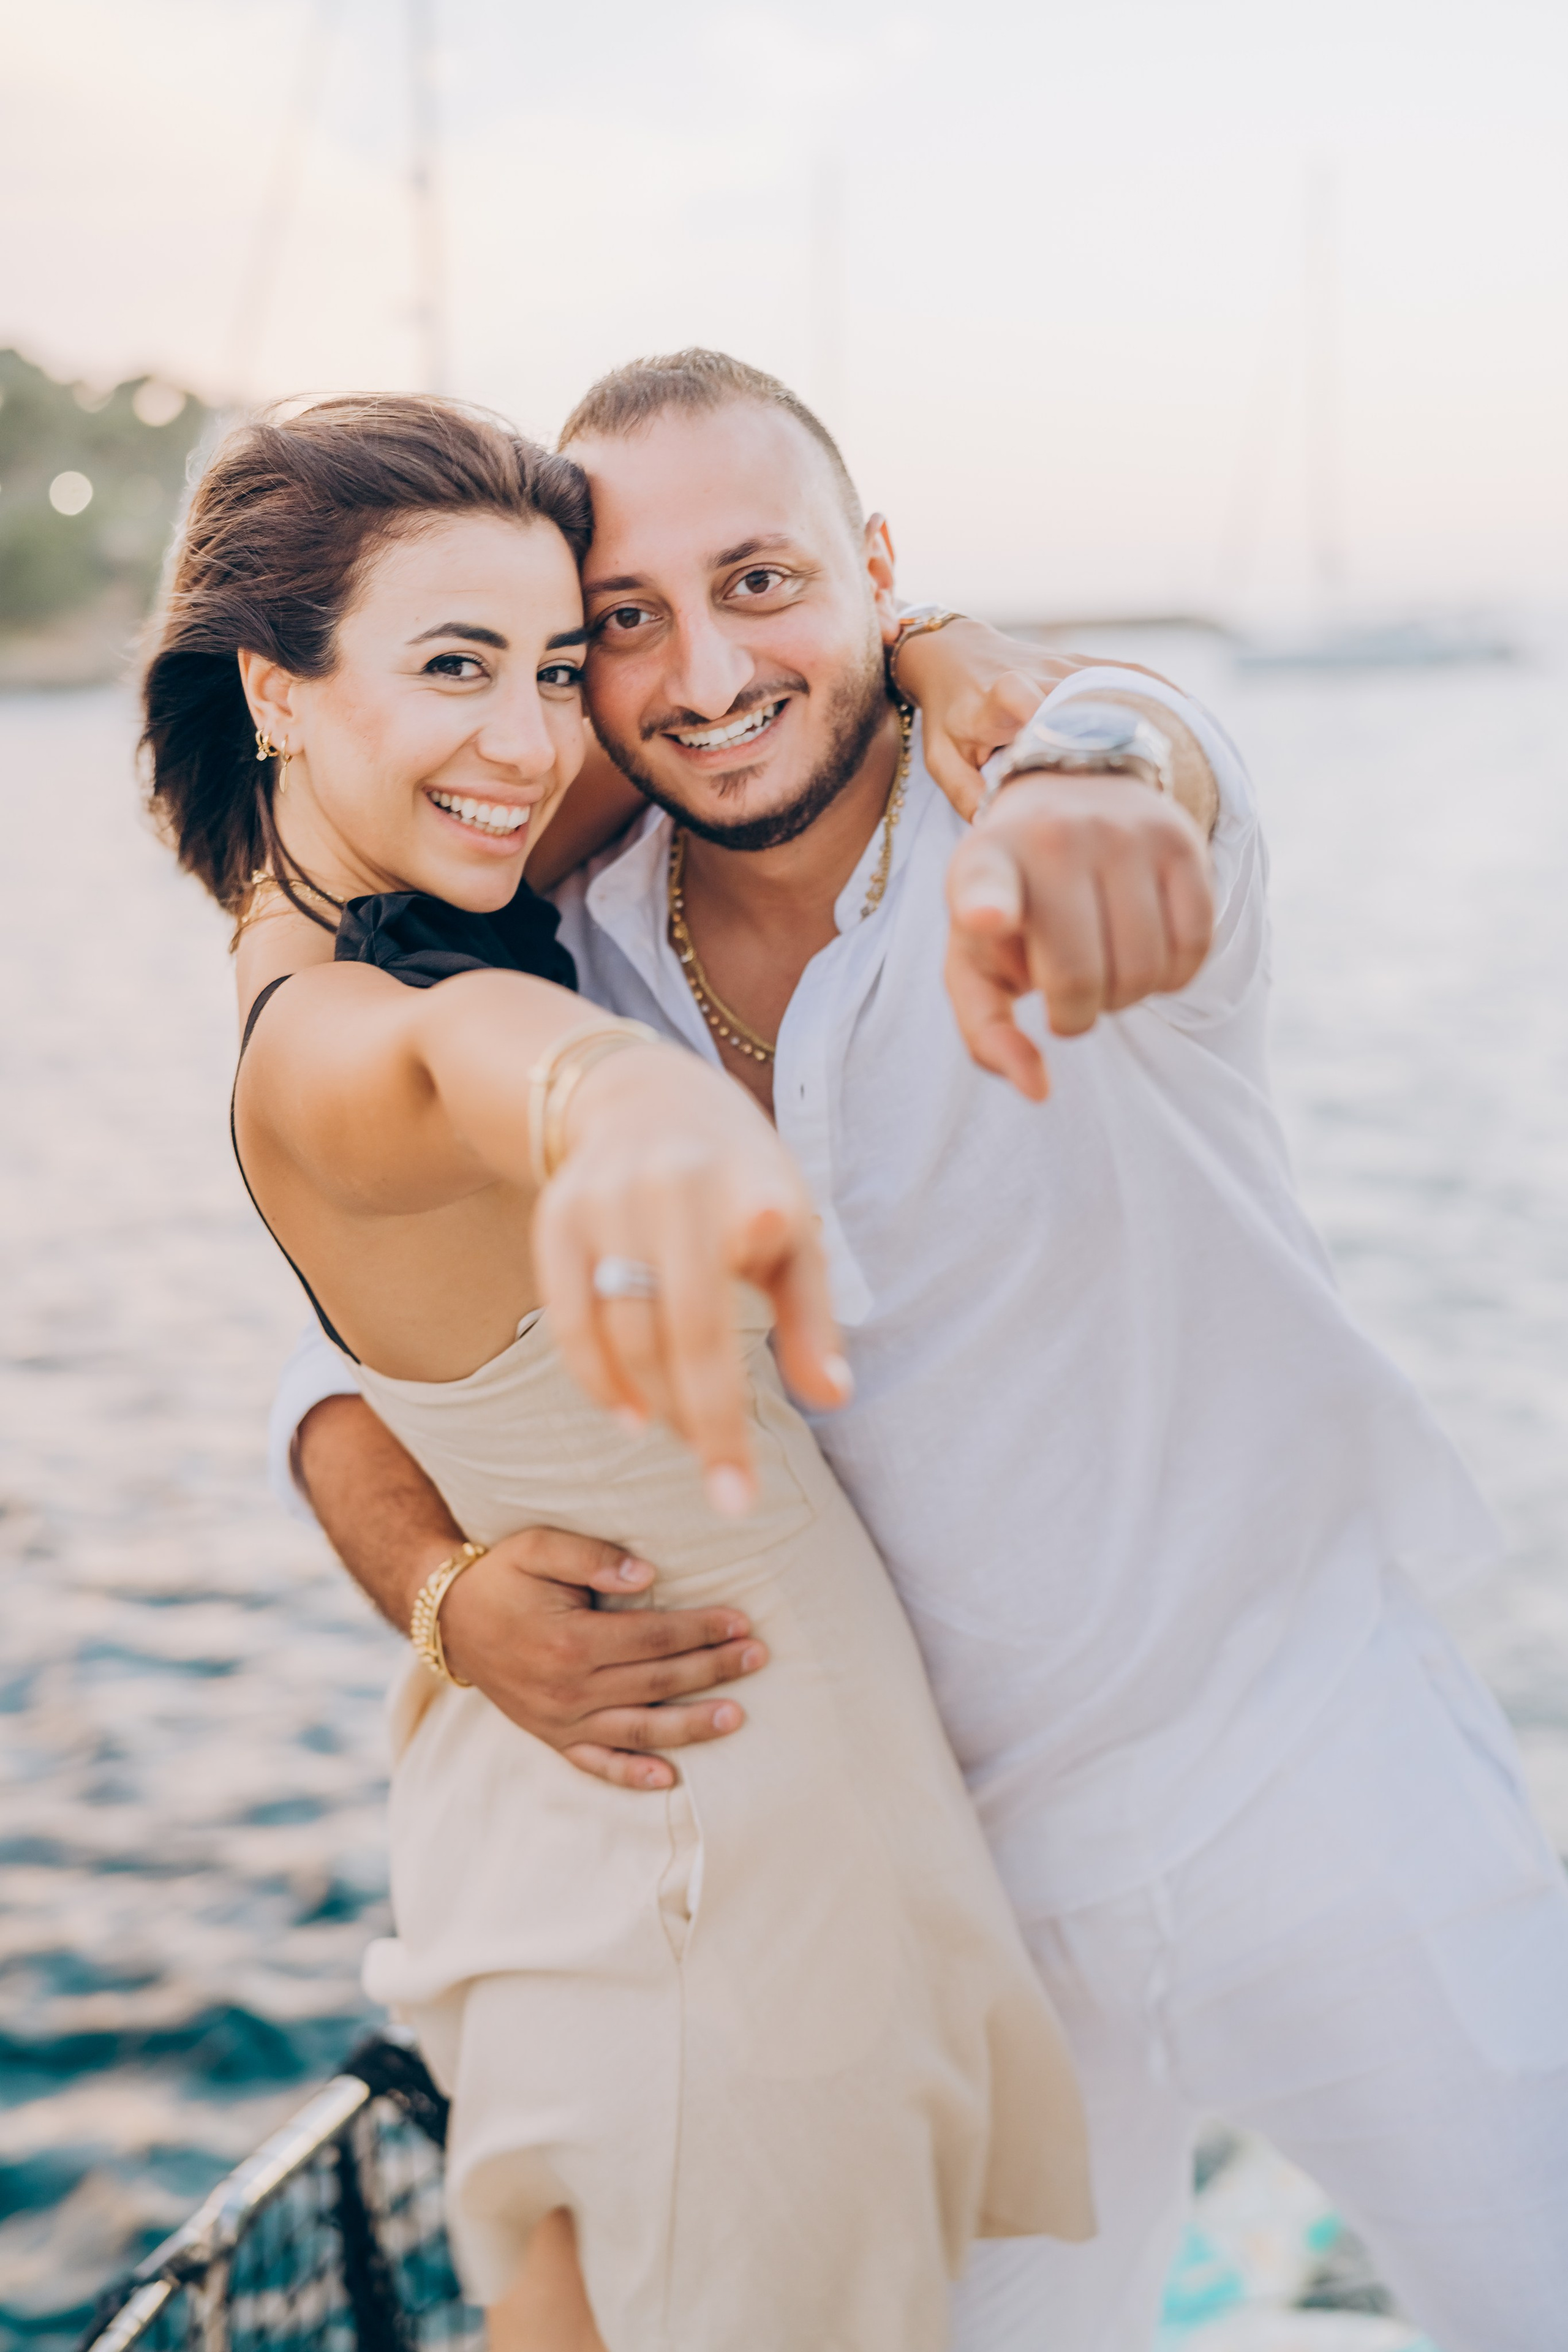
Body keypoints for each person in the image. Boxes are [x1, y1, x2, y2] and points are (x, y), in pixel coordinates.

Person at [284, 352, 1568, 2352]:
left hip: (1313, 1770)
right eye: (626, 622)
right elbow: (322, 1387)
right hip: (941, 1891)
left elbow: (1149, 746)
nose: (705, 670)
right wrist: (443, 1593)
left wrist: (1082, 779)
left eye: (766, 581)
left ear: (882, 573)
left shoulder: (1042, 808)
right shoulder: (557, 947)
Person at [141, 393, 1094, 2352]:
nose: (531, 738)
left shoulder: (413, 876)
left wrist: (924, 643)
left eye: (558, 665)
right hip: (729, 1837)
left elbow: (762, 714)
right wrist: (623, 1101)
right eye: (457, 665)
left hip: (578, 1795)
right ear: (279, 690)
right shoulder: (336, 1037)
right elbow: (462, 1065)